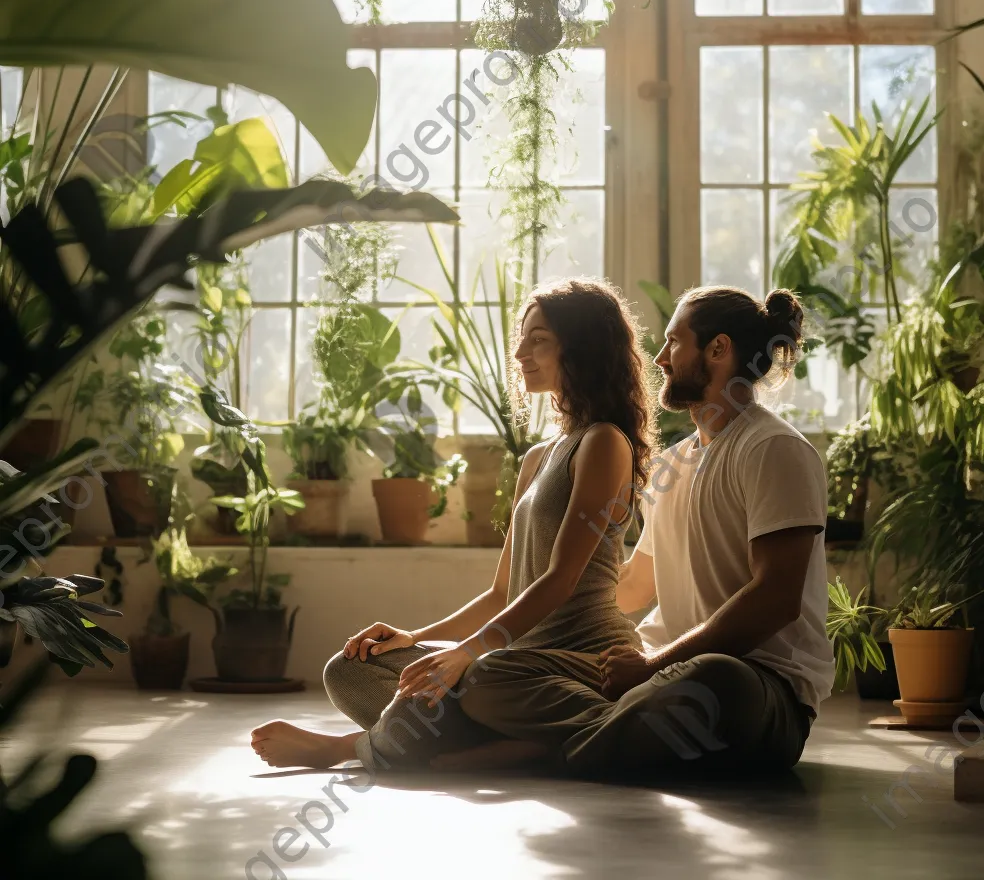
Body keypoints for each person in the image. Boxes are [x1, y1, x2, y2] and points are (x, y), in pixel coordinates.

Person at [250, 277, 656, 771]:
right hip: (517, 659)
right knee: (353, 671)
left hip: (583, 658)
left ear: (584, 348)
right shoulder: (537, 457)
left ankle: (348, 749)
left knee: (483, 679)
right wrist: (414, 637)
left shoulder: (605, 443)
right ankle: (521, 746)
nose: (522, 352)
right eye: (523, 338)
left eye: (540, 339)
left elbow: (560, 581)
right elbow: (502, 591)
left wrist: (465, 654)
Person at [452, 285, 834, 778]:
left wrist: (653, 667)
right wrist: (558, 635)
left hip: (757, 690)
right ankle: (578, 742)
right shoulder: (674, 463)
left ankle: (532, 749)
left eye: (675, 342)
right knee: (488, 675)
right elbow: (633, 586)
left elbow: (776, 598)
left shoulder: (774, 449)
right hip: (655, 675)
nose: (659, 358)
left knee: (716, 677)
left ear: (718, 350)